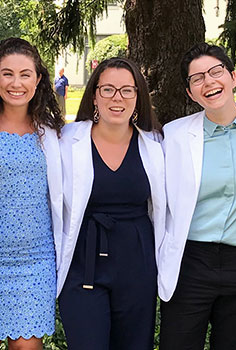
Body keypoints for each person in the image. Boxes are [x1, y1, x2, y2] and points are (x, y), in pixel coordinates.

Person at [158, 42, 236, 350]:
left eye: (216, 72)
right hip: (191, 262)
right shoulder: (174, 136)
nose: (208, 82)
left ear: (233, 77)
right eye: (197, 78)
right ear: (190, 93)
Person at [57, 57, 165, 349]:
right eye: (108, 90)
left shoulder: (156, 144)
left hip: (137, 263)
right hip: (83, 262)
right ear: (94, 95)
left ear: (138, 96)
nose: (117, 98)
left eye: (127, 90)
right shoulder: (66, 141)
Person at [0, 37, 64, 350]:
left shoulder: (54, 132)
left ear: (38, 80)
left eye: (25, 74)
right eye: (7, 73)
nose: (16, 83)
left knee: (26, 345)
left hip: (36, 258)